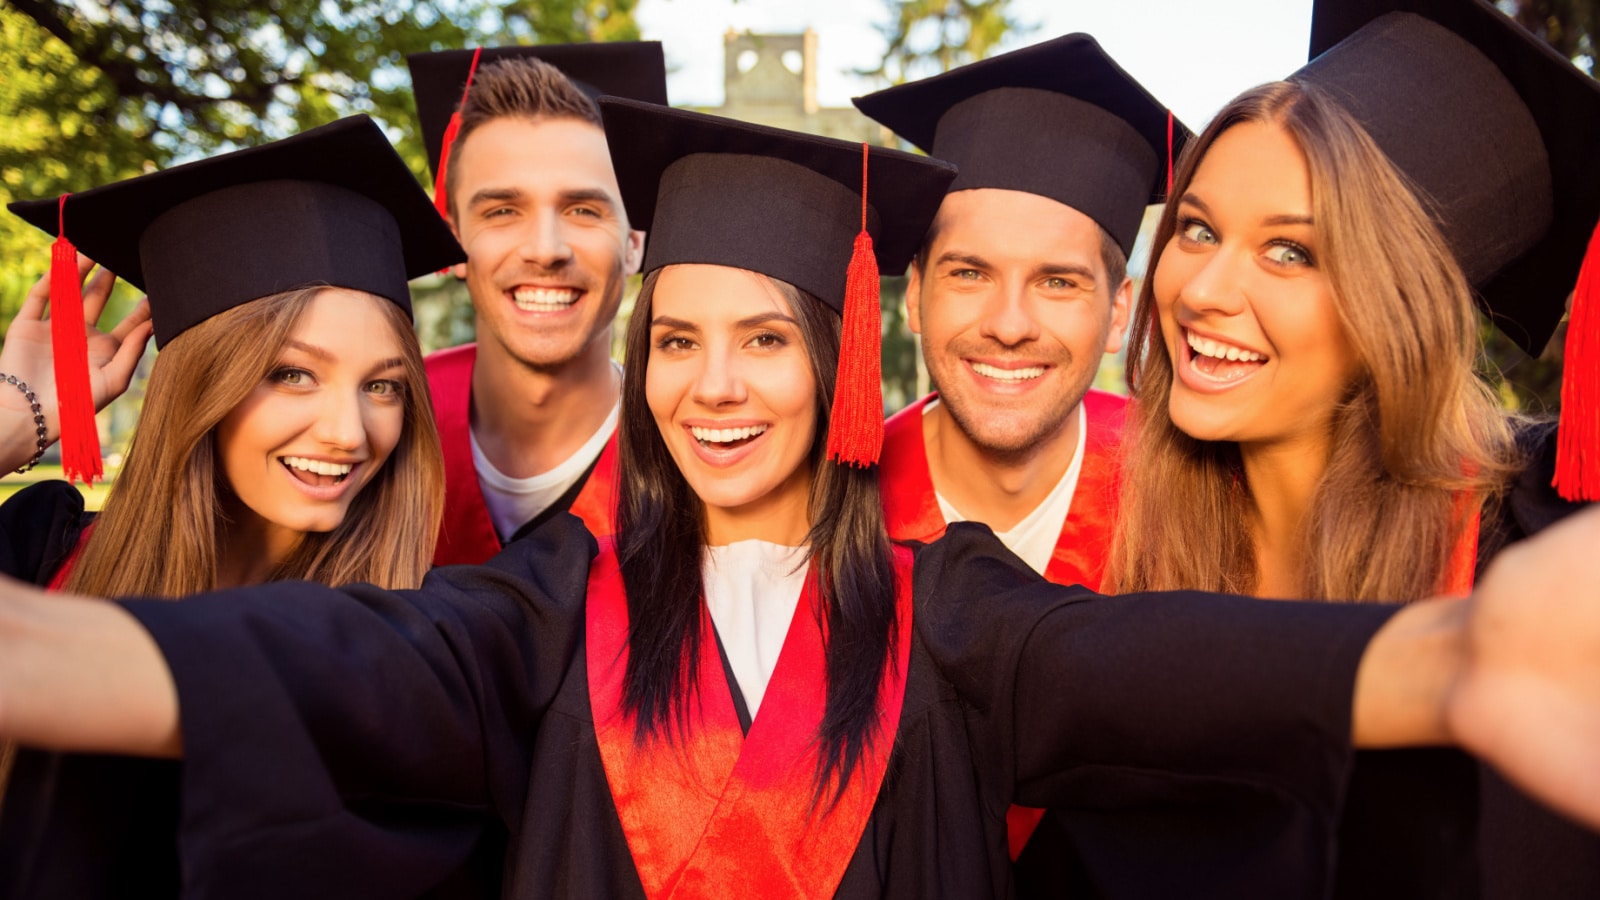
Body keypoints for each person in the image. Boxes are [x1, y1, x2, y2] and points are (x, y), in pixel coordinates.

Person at [2, 100, 1600, 900]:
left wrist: (1449, 661)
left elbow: (1148, 666)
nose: (714, 387)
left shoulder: (952, 600)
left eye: (765, 340)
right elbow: (340, 661)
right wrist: (41, 653)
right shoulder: (543, 604)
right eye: (676, 342)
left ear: (840, 361)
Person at [1104, 1, 1600, 897]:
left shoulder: (1544, 540)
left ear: (1398, 312)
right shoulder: (1138, 557)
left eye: (1290, 252)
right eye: (1198, 228)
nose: (1204, 289)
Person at [0, 114, 461, 898]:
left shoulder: (412, 655)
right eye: (292, 374)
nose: (350, 432)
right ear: (202, 384)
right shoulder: (41, 550)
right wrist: (16, 416)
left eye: (382, 385)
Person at [853, 35, 1191, 872]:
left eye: (1058, 281)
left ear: (1119, 314)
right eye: (968, 273)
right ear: (914, 300)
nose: (1010, 322)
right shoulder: (835, 514)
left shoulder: (1193, 492)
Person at [407, 43, 667, 564]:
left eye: (584, 210)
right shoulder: (387, 431)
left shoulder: (689, 453)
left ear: (635, 240)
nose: (546, 249)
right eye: (503, 210)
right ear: (453, 242)